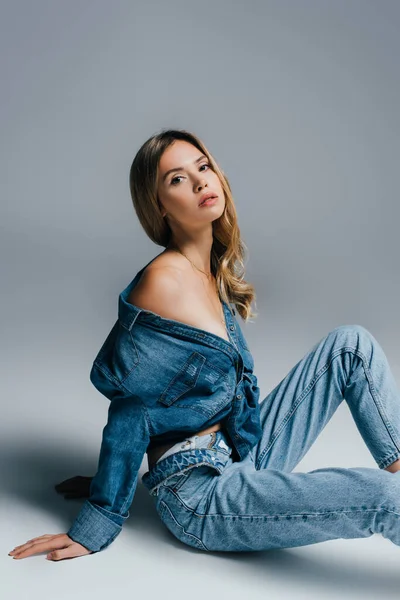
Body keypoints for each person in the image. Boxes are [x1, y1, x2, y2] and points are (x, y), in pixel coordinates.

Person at [9, 129, 400, 562]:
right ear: (158, 204)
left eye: (203, 167)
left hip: (239, 450)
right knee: (382, 498)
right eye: (176, 179)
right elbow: (130, 406)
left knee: (351, 345)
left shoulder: (208, 274)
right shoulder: (162, 282)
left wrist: (106, 473)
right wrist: (100, 513)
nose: (199, 183)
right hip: (199, 495)